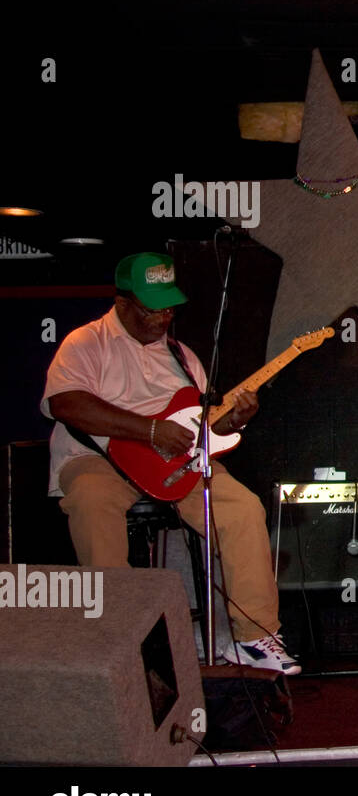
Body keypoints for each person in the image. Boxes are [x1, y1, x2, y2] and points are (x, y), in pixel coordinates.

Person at [42, 251, 299, 674]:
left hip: (175, 464)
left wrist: (232, 419)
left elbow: (199, 427)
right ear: (122, 303)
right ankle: (117, 641)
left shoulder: (182, 357)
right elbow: (67, 404)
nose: (162, 317)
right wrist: (148, 431)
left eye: (168, 307)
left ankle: (255, 636)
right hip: (98, 457)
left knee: (242, 507)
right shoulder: (85, 342)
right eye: (151, 308)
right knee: (91, 501)